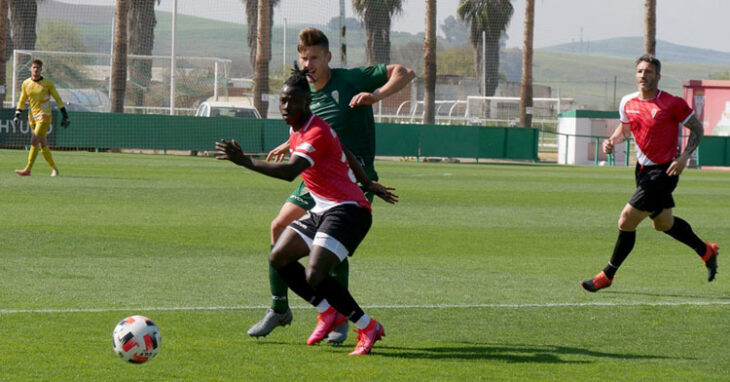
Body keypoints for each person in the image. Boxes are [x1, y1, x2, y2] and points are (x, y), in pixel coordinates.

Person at [247, 27, 415, 342]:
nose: (307, 64)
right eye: (303, 58)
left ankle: (341, 319)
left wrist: (376, 95)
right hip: (317, 176)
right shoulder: (306, 95)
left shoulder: (350, 80)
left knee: (329, 251)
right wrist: (290, 144)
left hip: (352, 178)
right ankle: (279, 308)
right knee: (278, 228)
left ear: (328, 57)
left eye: (313, 57)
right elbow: (317, 130)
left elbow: (405, 72)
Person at [216, 65, 396, 355]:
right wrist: (368, 181)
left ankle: (367, 326)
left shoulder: (314, 131)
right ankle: (328, 311)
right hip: (324, 209)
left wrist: (245, 161)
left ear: (307, 103)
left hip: (349, 210)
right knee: (279, 257)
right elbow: (344, 150)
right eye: (283, 101)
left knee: (315, 274)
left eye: (293, 101)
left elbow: (290, 172)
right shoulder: (298, 126)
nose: (286, 106)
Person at [581, 54, 719, 292]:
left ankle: (608, 274)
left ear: (658, 76)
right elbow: (625, 129)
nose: (643, 75)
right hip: (642, 169)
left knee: (626, 220)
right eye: (640, 71)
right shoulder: (627, 102)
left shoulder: (671, 103)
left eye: (649, 71)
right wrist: (612, 141)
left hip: (665, 171)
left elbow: (696, 128)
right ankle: (706, 251)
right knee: (664, 224)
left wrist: (685, 156)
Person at [14, 59, 70, 177]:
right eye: (34, 67)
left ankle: (28, 169)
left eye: (38, 67)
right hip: (32, 116)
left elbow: (58, 99)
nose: (36, 69)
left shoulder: (47, 83)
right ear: (30, 69)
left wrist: (65, 115)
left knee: (34, 139)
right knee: (42, 144)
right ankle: (54, 169)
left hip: (44, 116)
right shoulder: (26, 83)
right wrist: (17, 115)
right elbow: (22, 100)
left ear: (41, 69)